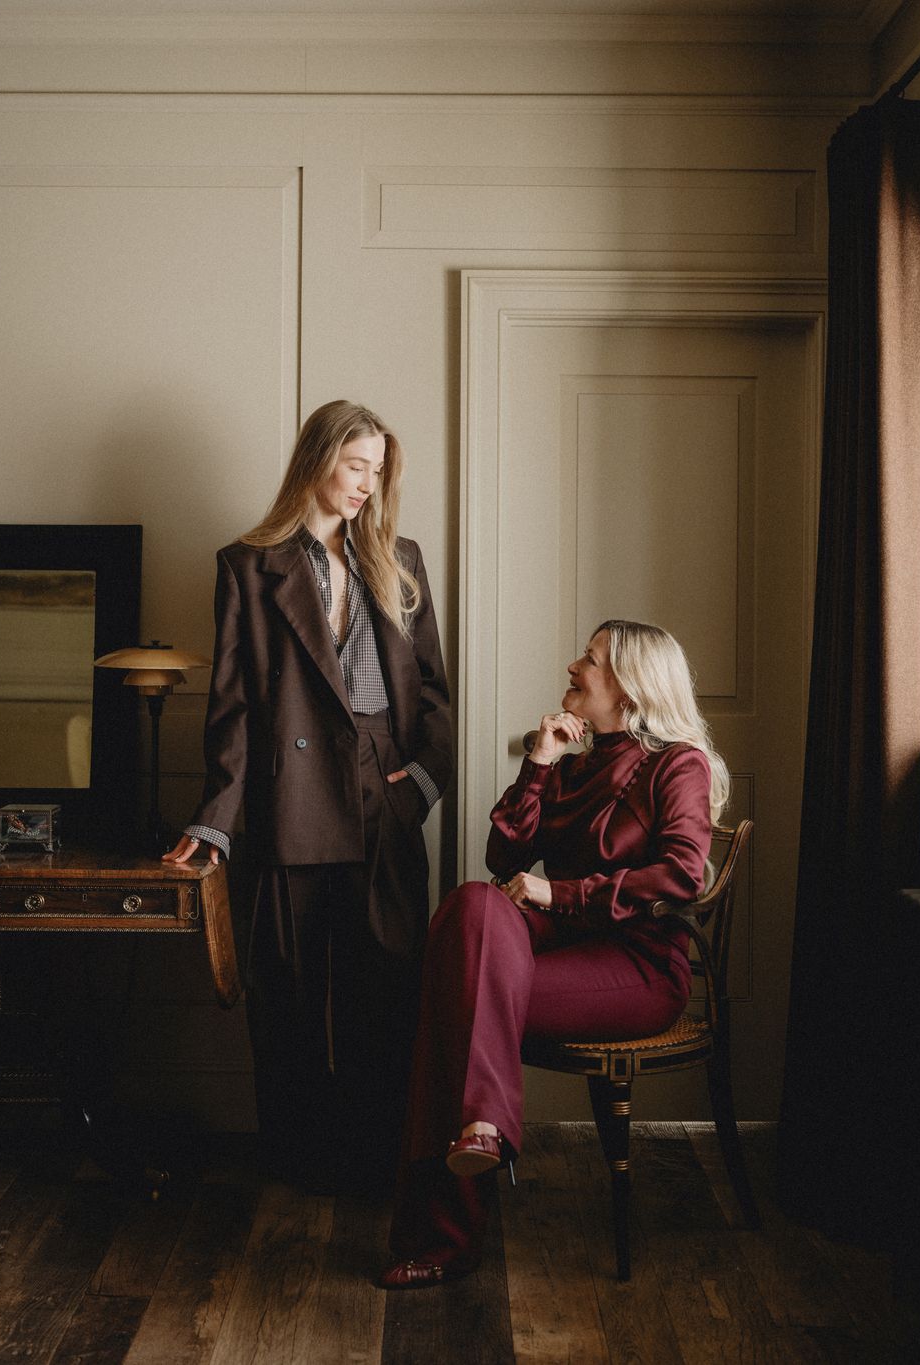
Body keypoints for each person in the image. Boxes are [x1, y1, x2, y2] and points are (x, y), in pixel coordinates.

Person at [380, 619, 727, 1287]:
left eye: (591, 660)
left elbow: (685, 873)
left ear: (629, 685)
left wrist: (559, 892)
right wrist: (538, 763)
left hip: (636, 967)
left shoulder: (677, 762)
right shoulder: (574, 761)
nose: (573, 665)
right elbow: (502, 857)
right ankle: (480, 1126)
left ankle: (445, 1232)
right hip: (560, 951)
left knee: (457, 994)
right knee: (474, 903)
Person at [163, 399, 453, 1189]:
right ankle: (296, 1159)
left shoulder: (404, 560)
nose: (368, 482)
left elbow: (433, 694)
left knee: (386, 982)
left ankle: (377, 1158)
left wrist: (422, 781)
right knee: (286, 985)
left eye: (378, 469)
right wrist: (216, 821)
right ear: (318, 460)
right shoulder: (249, 564)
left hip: (380, 785)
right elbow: (233, 706)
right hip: (290, 792)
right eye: (355, 464)